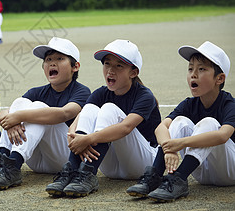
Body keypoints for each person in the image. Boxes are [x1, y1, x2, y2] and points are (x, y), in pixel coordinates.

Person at [46, 39, 161, 197]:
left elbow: (126, 127)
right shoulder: (101, 92)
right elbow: (80, 118)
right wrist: (73, 135)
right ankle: (72, 171)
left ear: (133, 72)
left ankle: (88, 172)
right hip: (111, 168)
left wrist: (87, 139)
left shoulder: (144, 95)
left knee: (108, 109)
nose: (110, 71)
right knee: (91, 108)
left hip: (142, 163)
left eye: (118, 66)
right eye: (107, 64)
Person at [126, 41, 235, 202]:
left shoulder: (229, 104)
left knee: (209, 123)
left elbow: (223, 136)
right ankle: (155, 176)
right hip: (202, 174)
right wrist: (169, 148)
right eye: (190, 68)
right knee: (180, 122)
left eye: (202, 69)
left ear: (219, 78)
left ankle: (179, 178)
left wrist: (181, 143)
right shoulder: (189, 104)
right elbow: (161, 128)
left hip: (229, 172)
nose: (193, 74)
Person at [0, 37, 91, 189]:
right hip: (35, 160)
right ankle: (3, 161)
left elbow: (65, 113)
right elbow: (5, 113)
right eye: (48, 59)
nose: (52, 63)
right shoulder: (36, 91)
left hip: (63, 158)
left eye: (59, 58)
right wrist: (12, 120)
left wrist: (19, 116)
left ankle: (13, 165)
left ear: (75, 66)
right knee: (19, 102)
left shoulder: (81, 91)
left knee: (38, 107)